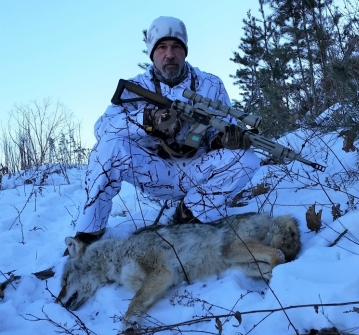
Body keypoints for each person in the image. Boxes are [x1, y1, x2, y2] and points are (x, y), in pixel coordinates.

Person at [73, 16, 260, 245]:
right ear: (152, 53)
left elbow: (222, 127)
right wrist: (148, 119)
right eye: (162, 47)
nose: (169, 54)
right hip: (154, 170)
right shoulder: (136, 88)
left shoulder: (210, 84)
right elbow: (102, 129)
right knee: (108, 148)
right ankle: (89, 235)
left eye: (176, 47)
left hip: (197, 169)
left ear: (185, 51)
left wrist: (224, 140)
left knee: (248, 160)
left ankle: (190, 213)